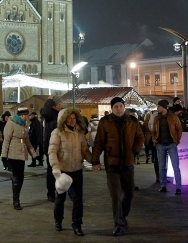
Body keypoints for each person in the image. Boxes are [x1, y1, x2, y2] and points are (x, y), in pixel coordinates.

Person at [91, 97, 145, 237]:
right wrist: (95, 160)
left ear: (124, 107)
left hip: (128, 163)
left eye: (120, 106)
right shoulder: (105, 122)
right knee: (115, 195)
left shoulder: (132, 121)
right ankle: (119, 224)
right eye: (116, 106)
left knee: (129, 193)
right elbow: (99, 142)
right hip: (112, 164)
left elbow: (140, 137)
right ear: (112, 108)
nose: (119, 109)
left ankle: (123, 216)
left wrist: (135, 150)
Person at [48, 107, 91, 236]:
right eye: (69, 118)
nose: (72, 121)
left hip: (77, 170)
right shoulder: (57, 133)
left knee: (78, 200)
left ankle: (77, 225)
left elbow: (84, 151)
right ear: (63, 119)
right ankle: (58, 221)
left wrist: (94, 161)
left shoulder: (80, 133)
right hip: (62, 172)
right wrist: (55, 167)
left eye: (74, 118)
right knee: (60, 199)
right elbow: (52, 151)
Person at [1, 106, 37, 210]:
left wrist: (35, 155)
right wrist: (4, 156)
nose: (27, 117)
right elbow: (6, 141)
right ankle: (16, 200)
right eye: (26, 115)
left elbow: (28, 142)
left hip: (22, 154)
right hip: (13, 154)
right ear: (21, 115)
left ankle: (16, 198)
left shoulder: (24, 125)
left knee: (20, 177)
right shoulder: (10, 124)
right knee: (17, 177)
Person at [152, 100, 183, 195]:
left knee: (175, 167)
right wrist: (155, 141)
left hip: (171, 144)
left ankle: (178, 187)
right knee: (161, 167)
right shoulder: (157, 118)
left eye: (159, 106)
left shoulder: (173, 117)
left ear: (163, 107)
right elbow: (154, 131)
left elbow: (179, 129)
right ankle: (163, 186)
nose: (157, 108)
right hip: (160, 144)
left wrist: (176, 141)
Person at [41, 96, 63, 201]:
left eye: (60, 104)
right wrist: (49, 100)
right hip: (50, 146)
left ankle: (60, 190)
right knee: (51, 171)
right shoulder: (49, 115)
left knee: (62, 170)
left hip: (61, 146)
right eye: (57, 104)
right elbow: (44, 111)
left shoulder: (61, 114)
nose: (60, 106)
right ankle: (51, 193)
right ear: (53, 106)